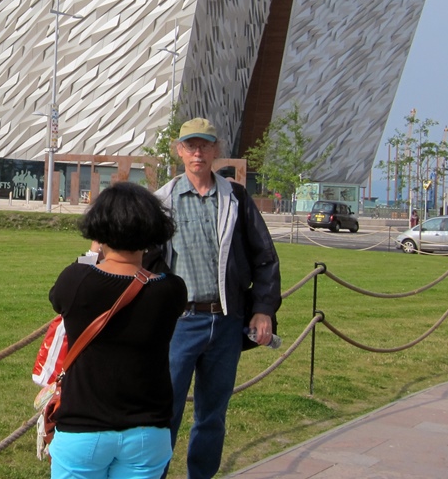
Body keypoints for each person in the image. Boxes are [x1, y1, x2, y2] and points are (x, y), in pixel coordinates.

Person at [155, 117, 281, 479]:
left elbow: (265, 257)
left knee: (212, 416)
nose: (198, 152)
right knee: (166, 412)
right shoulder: (162, 202)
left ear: (216, 151)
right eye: (190, 145)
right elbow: (144, 260)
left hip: (225, 322)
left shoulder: (235, 197)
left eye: (205, 145)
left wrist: (263, 310)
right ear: (179, 151)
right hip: (179, 324)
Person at [48, 182, 188, 479]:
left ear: (99, 231)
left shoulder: (76, 280)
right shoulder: (171, 290)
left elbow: (58, 298)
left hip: (83, 427)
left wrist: (92, 251)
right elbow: (155, 274)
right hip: (147, 432)